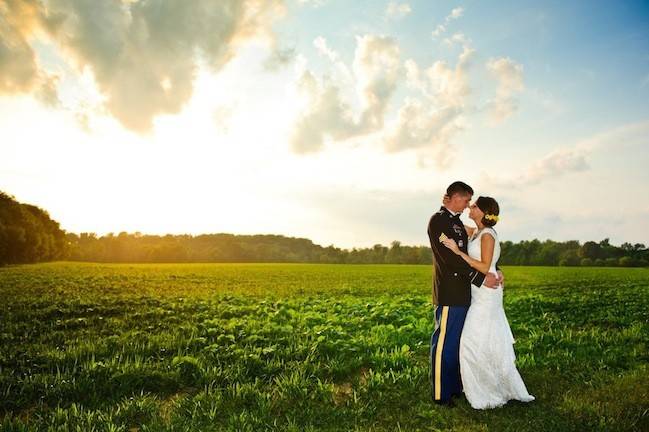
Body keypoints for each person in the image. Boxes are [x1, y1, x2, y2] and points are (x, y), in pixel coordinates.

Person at [442, 196, 535, 409]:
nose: (469, 207)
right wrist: (448, 205)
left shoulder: (487, 236)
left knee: (472, 341)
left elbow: (484, 267)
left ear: (482, 212)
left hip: (487, 292)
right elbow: (453, 224)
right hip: (480, 292)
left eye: (473, 206)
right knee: (484, 338)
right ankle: (491, 382)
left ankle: (486, 388)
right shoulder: (476, 233)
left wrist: (458, 253)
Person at [427, 181, 502, 406]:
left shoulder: (458, 223)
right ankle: (441, 393)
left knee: (457, 343)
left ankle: (454, 386)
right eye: (467, 200)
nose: (469, 204)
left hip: (465, 294)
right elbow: (449, 259)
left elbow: (485, 246)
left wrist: (496, 269)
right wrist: (480, 278)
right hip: (450, 292)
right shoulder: (439, 221)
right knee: (444, 343)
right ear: (455, 197)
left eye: (472, 202)